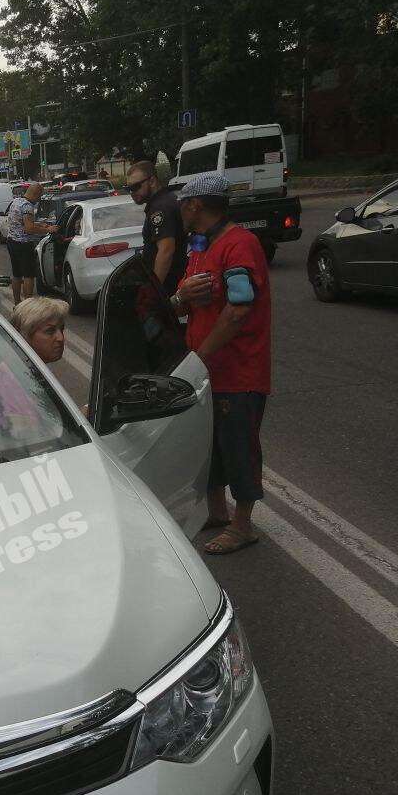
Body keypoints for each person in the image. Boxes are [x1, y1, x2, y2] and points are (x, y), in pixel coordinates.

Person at [171, 173, 272, 556]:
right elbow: (182, 298)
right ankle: (216, 512)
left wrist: (200, 357)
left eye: (183, 203)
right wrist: (181, 296)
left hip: (237, 371)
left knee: (239, 446)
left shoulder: (239, 245)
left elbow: (238, 310)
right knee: (208, 444)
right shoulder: (200, 244)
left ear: (196, 205)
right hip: (208, 373)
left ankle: (242, 525)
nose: (179, 209)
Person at [124, 159, 187, 296]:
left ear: (152, 181)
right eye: (128, 189)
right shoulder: (165, 200)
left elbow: (166, 250)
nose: (132, 193)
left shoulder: (160, 208)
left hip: (169, 285)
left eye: (135, 187)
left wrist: (154, 291)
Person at [3, 183, 58, 304]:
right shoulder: (28, 207)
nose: (39, 199)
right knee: (28, 275)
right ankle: (28, 304)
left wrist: (39, 224)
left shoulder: (16, 202)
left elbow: (21, 224)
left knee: (16, 274)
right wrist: (48, 229)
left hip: (12, 242)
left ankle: (17, 303)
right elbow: (29, 229)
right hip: (23, 244)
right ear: (36, 194)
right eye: (39, 196)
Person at [10, 295, 68, 364]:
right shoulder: (11, 373)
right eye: (50, 331)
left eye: (61, 329)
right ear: (24, 335)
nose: (61, 338)